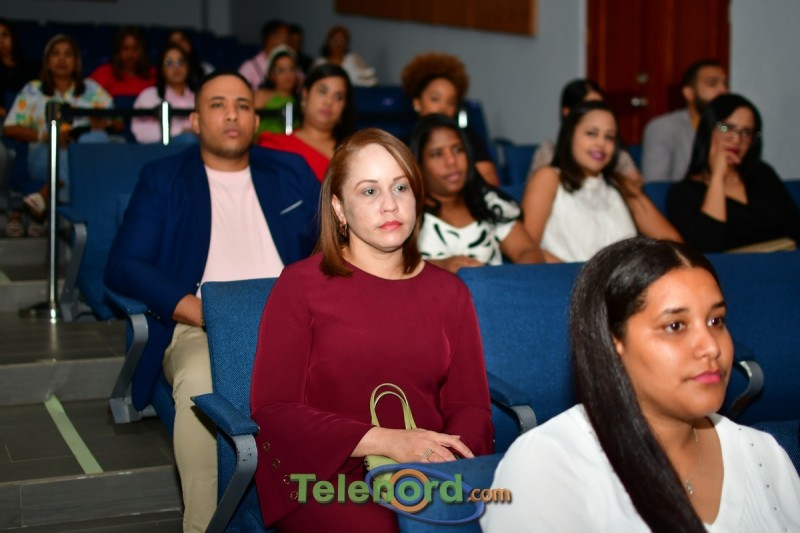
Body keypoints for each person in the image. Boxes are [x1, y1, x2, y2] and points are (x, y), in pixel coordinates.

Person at [104, 71, 320, 533]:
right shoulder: (164, 178)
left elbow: (329, 249)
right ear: (197, 121)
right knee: (202, 383)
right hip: (202, 326)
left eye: (243, 105)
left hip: (295, 324)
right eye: (218, 105)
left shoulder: (291, 172)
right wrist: (199, 312)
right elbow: (124, 264)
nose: (232, 115)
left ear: (256, 119)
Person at [250, 128, 493, 532]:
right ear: (339, 208)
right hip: (325, 475)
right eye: (369, 191)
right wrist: (389, 442)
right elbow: (274, 410)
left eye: (400, 187)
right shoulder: (300, 285)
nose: (389, 204)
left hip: (427, 467)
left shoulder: (450, 292)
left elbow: (470, 407)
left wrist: (445, 462)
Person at [481, 237, 800, 531]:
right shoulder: (549, 465)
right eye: (675, 326)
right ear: (612, 341)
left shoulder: (762, 453)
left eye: (716, 321)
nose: (711, 347)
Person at [522, 101, 681, 263]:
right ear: (570, 135)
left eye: (609, 137)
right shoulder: (548, 177)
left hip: (623, 278)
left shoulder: (621, 184)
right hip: (564, 276)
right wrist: (583, 276)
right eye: (591, 133)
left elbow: (673, 242)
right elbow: (528, 250)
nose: (601, 143)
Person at [3, 34, 113, 235]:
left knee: (97, 140)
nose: (62, 59)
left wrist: (101, 122)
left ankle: (45, 196)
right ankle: (76, 221)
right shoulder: (33, 89)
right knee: (69, 157)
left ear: (77, 61)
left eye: (68, 54)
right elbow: (9, 128)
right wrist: (48, 137)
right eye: (56, 54)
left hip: (82, 154)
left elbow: (118, 120)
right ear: (47, 61)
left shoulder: (92, 89)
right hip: (44, 154)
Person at [409, 113, 544, 272]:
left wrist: (512, 281)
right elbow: (392, 268)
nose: (451, 161)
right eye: (437, 154)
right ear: (419, 164)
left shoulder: (489, 202)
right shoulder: (405, 211)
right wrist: (442, 266)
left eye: (458, 150)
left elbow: (527, 251)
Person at [666, 93, 800, 252]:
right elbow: (708, 247)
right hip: (731, 267)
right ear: (708, 130)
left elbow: (795, 229)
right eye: (727, 128)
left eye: (746, 132)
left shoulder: (762, 173)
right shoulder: (683, 194)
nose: (736, 139)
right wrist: (718, 176)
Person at [401, 52, 500, 186]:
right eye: (435, 99)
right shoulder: (402, 146)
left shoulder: (469, 138)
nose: (443, 108)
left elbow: (490, 182)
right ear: (417, 102)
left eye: (451, 102)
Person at [529, 78, 641, 184]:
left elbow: (635, 185)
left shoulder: (613, 151)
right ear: (567, 112)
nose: (601, 143)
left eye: (600, 106)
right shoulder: (549, 153)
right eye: (589, 107)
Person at [257, 64, 355, 182]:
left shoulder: (353, 152)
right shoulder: (276, 146)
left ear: (344, 106)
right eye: (322, 91)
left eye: (338, 97)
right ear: (305, 95)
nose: (329, 102)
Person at [642, 59, 728, 183]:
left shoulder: (724, 127)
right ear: (689, 93)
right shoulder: (663, 128)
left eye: (725, 84)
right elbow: (656, 185)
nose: (723, 90)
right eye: (712, 83)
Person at [0, 18, 40, 237]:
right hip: (4, 125)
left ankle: (30, 208)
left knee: (28, 146)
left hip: (29, 123)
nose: (1, 42)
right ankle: (17, 209)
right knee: (14, 147)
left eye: (5, 35)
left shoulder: (31, 69)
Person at [131, 44, 197, 144]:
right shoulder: (149, 96)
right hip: (161, 149)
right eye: (169, 63)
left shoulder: (200, 97)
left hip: (198, 147)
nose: (176, 67)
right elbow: (141, 133)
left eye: (181, 61)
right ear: (161, 69)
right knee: (188, 139)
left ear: (188, 66)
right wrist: (181, 130)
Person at [89, 26, 156, 98]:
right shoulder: (102, 74)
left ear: (142, 52)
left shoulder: (154, 75)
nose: (130, 54)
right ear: (118, 51)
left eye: (135, 49)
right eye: (125, 49)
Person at [312, 25, 377, 87]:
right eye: (335, 40)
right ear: (328, 42)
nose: (338, 45)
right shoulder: (319, 64)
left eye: (342, 41)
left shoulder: (355, 60)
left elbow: (371, 83)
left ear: (347, 44)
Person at [254, 45, 298, 135]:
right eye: (281, 70)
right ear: (271, 75)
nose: (288, 74)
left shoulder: (301, 100)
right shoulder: (262, 95)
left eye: (291, 69)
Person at [238, 19, 289, 92]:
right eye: (285, 36)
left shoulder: (291, 62)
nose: (287, 41)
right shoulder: (250, 66)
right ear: (271, 37)